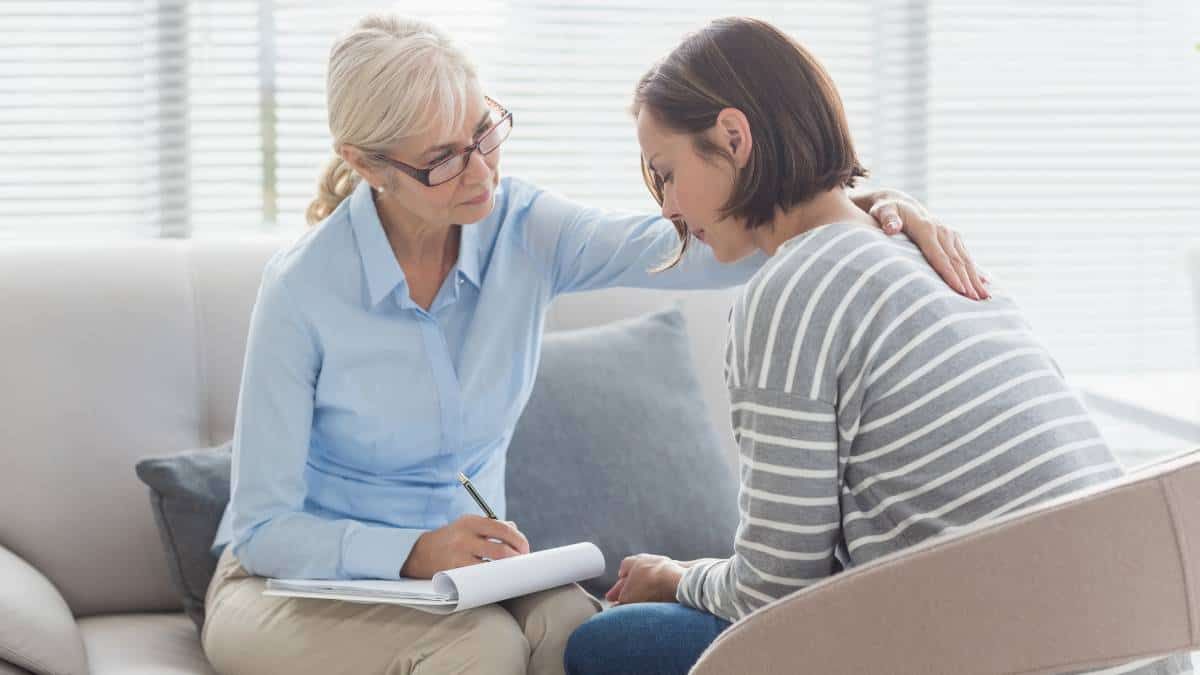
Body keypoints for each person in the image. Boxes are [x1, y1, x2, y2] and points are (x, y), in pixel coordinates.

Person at [200, 13, 987, 675]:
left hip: (464, 580)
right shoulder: (303, 288)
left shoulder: (521, 228)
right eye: (443, 158)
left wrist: (863, 206)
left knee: (577, 639)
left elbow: (709, 240)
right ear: (367, 165)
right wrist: (412, 550)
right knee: (481, 654)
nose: (480, 172)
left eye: (483, 131)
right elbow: (266, 529)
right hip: (287, 585)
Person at [563, 17, 1192, 675]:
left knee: (611, 643)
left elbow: (773, 595)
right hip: (1138, 644)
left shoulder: (790, 294)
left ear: (732, 136)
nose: (665, 207)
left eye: (665, 174)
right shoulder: (930, 256)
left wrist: (676, 575)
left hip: (1013, 650)